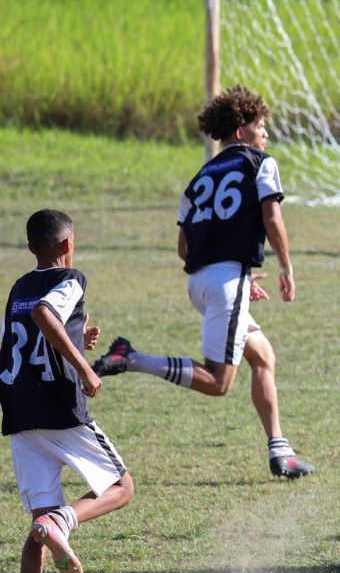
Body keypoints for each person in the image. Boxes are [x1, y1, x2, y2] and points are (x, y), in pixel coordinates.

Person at [92, 85, 314, 479]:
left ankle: (280, 450)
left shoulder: (198, 179)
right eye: (260, 125)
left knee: (263, 357)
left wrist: (235, 275)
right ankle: (131, 358)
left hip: (200, 282)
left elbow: (184, 246)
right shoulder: (260, 162)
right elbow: (271, 217)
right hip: (225, 282)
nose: (265, 134)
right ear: (241, 130)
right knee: (217, 382)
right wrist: (285, 267)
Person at [2, 210, 136, 573]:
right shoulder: (72, 277)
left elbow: (26, 331)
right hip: (60, 408)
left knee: (41, 517)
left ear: (31, 249)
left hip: (20, 411)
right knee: (120, 487)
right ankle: (63, 523)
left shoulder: (19, 286)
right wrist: (85, 367)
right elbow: (46, 315)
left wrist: (78, 338)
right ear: (67, 245)